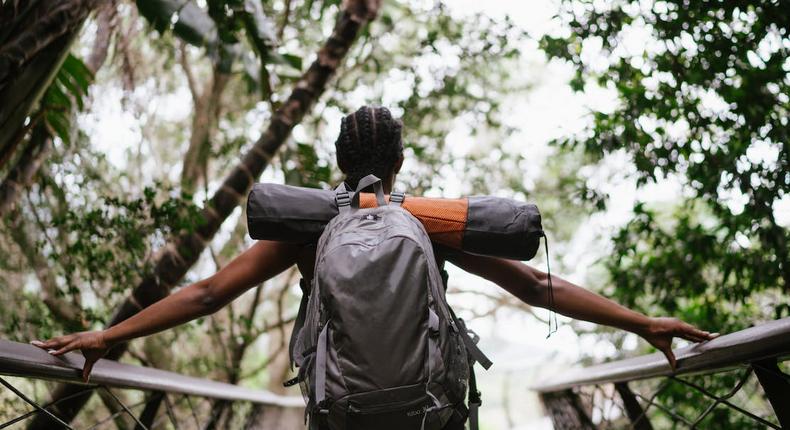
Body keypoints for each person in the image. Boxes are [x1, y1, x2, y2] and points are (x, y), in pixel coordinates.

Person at [32, 106, 716, 428]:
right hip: (432, 410)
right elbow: (540, 287)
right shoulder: (430, 222)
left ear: (337, 161)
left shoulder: (309, 227)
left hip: (342, 412)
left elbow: (208, 293)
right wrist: (640, 320)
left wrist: (108, 336)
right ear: (397, 163)